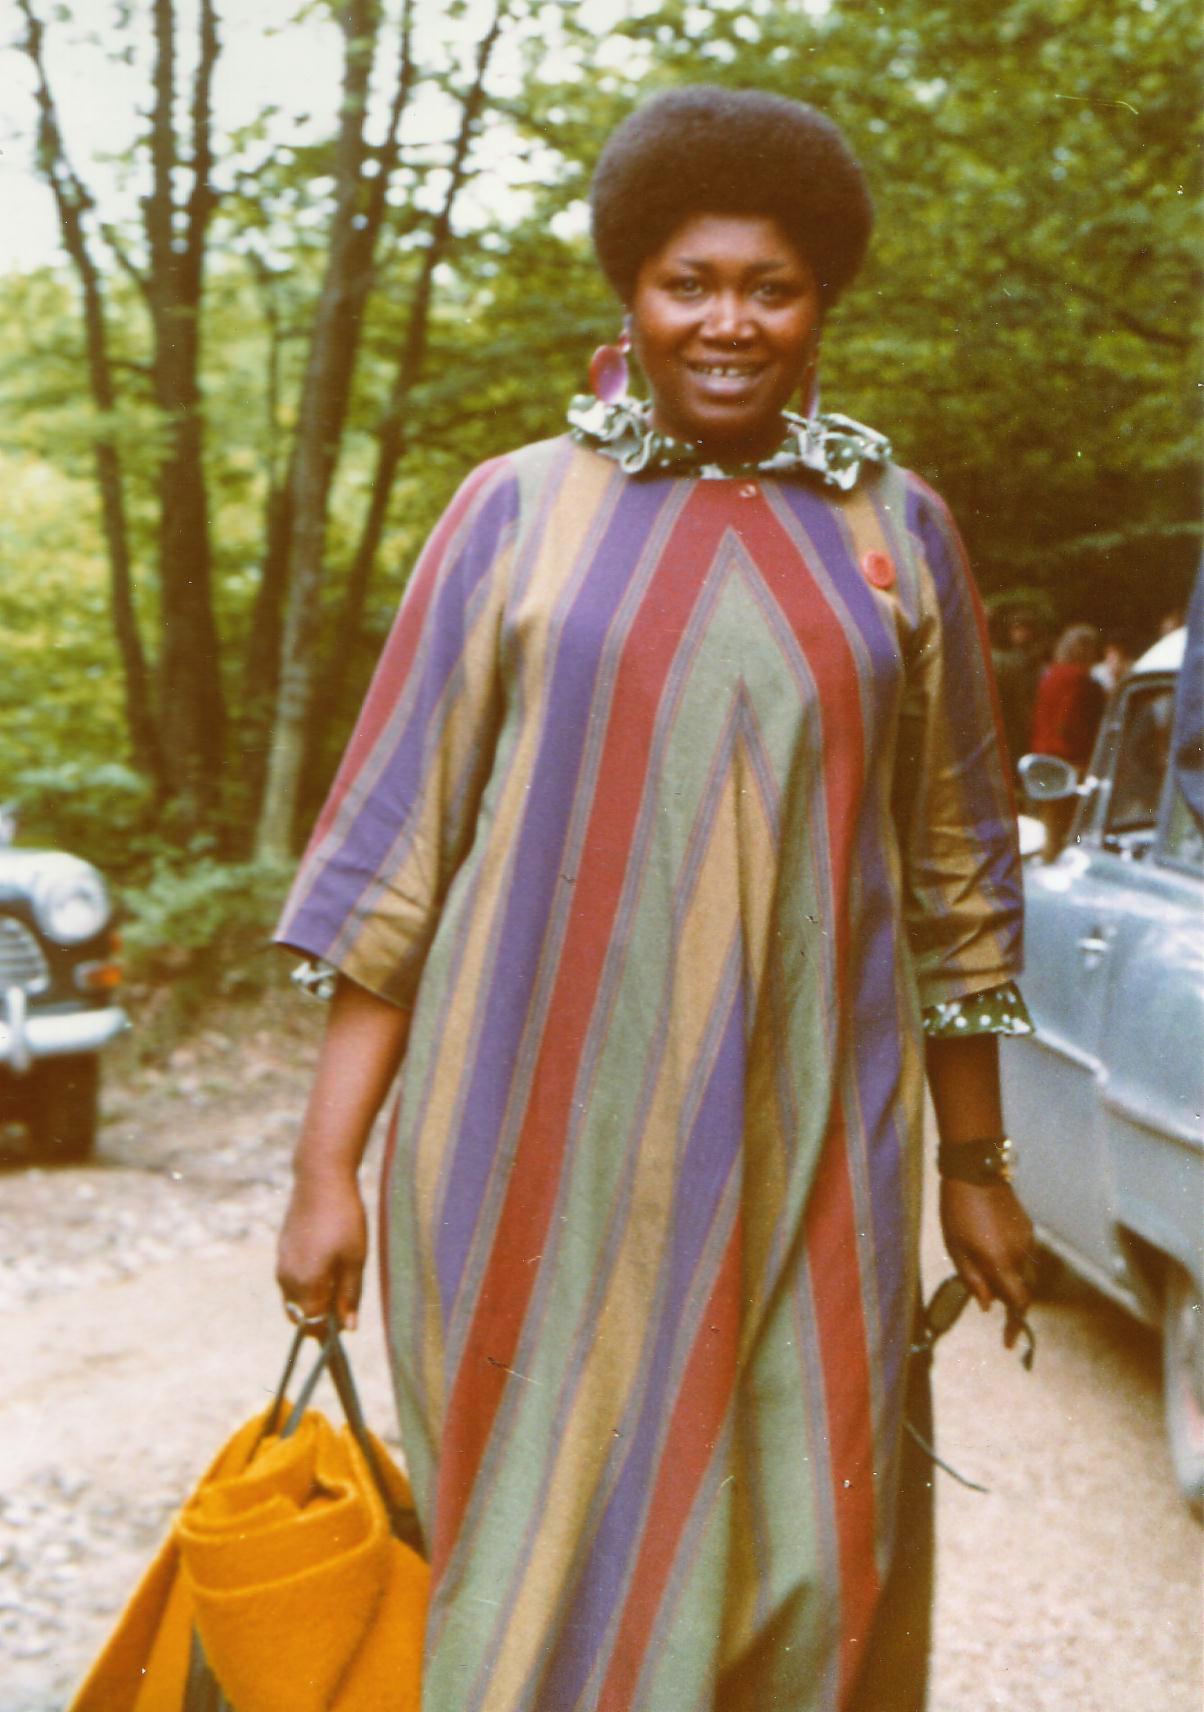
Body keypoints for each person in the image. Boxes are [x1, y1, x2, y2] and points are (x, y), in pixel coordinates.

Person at [274, 86, 1036, 1712]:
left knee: (811, 1566)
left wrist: (976, 1166)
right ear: (630, 285)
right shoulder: (512, 513)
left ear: (822, 298)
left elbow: (963, 876)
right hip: (528, 1163)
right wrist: (323, 1168)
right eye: (691, 280)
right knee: (544, 1573)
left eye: (771, 286)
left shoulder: (901, 534)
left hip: (810, 1152)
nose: (729, 322)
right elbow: (397, 855)